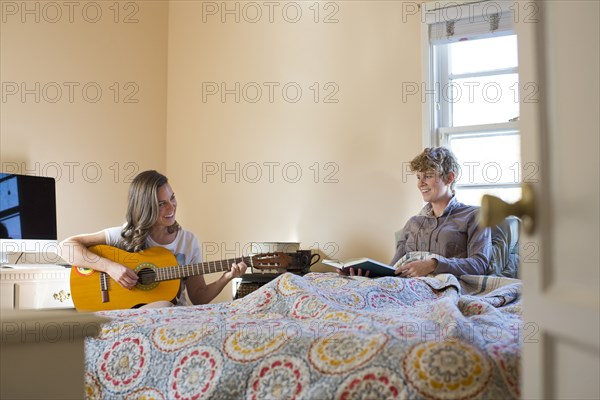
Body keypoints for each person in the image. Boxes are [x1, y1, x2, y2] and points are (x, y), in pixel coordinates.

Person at [59, 170, 247, 308]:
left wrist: (227, 277)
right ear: (145, 208)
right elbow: (65, 247)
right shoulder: (125, 235)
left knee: (167, 306)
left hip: (175, 317)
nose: (171, 207)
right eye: (161, 204)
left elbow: (198, 298)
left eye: (172, 198)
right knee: (164, 306)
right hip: (130, 313)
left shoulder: (188, 242)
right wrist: (110, 267)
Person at [344, 146, 491, 278]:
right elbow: (393, 271)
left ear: (449, 178)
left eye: (427, 176)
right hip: (407, 291)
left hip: (445, 290)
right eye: (419, 177)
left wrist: (433, 265)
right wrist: (364, 274)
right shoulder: (413, 223)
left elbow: (479, 265)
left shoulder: (474, 216)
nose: (420, 184)